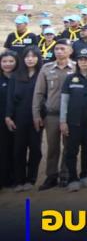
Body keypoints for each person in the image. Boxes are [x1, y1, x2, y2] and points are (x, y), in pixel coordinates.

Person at [32, 39, 76, 190]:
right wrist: (36, 114)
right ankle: (51, 176)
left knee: (69, 146)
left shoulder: (76, 67)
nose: (59, 51)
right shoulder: (46, 68)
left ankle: (65, 174)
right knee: (52, 147)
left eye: (62, 48)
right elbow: (39, 93)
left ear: (70, 51)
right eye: (57, 49)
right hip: (51, 115)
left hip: (71, 115)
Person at [5, 46, 43, 192]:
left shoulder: (42, 74)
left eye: (33, 56)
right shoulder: (16, 76)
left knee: (35, 149)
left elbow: (45, 97)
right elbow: (10, 98)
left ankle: (31, 179)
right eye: (27, 56)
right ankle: (19, 180)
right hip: (19, 117)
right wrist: (8, 116)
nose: (30, 59)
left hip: (36, 118)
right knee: (19, 149)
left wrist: (41, 115)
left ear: (38, 58)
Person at [60, 48, 87, 192]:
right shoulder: (70, 78)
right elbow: (64, 101)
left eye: (86, 59)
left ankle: (85, 174)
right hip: (73, 121)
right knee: (71, 151)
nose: (83, 62)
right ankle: (73, 178)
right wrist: (63, 121)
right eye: (80, 59)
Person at [0, 51, 18, 189]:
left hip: (17, 119)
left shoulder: (20, 78)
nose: (7, 64)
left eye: (11, 61)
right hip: (1, 120)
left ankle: (13, 177)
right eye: (4, 61)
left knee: (15, 149)